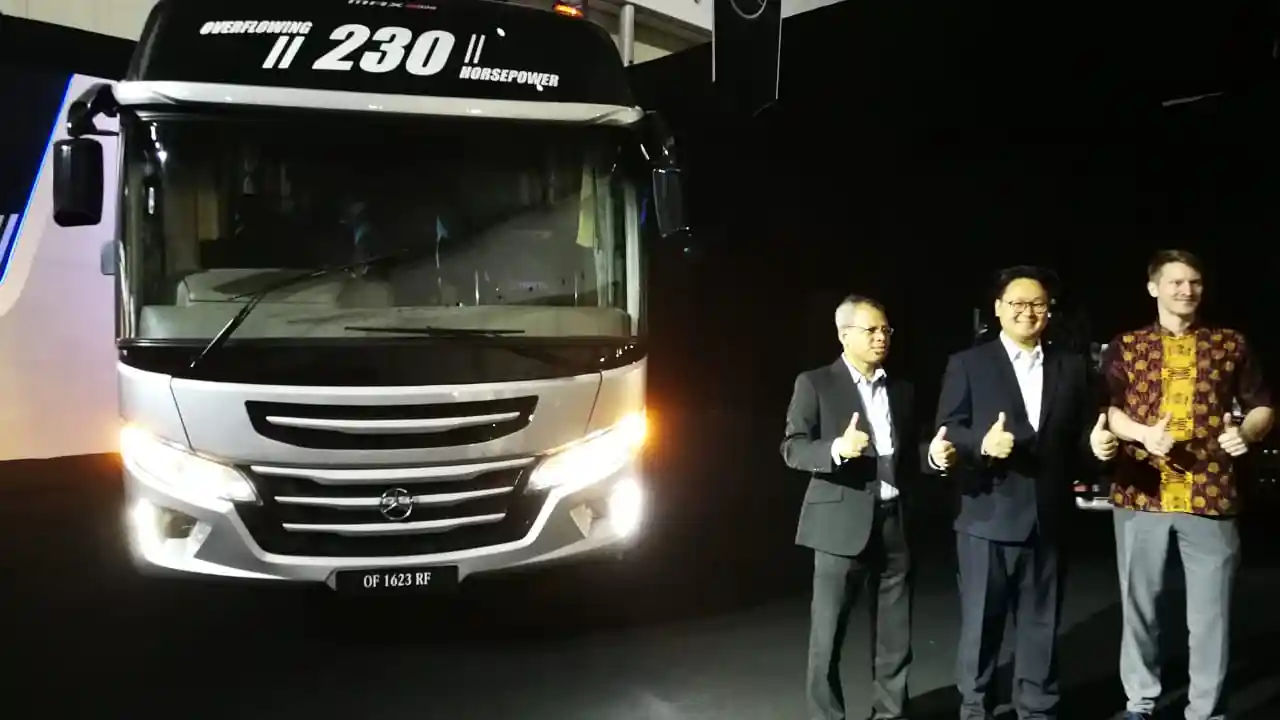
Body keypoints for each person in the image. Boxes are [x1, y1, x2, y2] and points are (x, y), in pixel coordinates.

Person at [931, 266, 1116, 720]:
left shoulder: (1071, 365)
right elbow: (949, 429)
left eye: (1037, 304)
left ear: (1049, 312)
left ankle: (1038, 709)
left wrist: (1095, 447)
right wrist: (982, 444)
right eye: (1017, 303)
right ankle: (976, 708)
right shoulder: (968, 364)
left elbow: (1079, 437)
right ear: (997, 309)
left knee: (1042, 626)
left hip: (1049, 518)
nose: (1027, 312)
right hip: (986, 516)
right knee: (982, 626)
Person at [1101, 249, 1273, 720]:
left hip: (1211, 491)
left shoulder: (1230, 343)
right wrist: (1142, 434)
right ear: (1153, 287)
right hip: (1142, 491)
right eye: (1175, 282)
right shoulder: (1127, 345)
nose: (1187, 290)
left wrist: (1247, 433)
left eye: (1194, 282)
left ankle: (1205, 710)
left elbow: (1261, 404)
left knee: (1211, 613)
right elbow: (1110, 409)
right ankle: (1140, 702)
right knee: (1139, 608)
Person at [781, 295, 937, 720]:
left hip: (894, 521)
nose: (881, 337)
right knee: (828, 635)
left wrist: (934, 455)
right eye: (871, 330)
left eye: (886, 329)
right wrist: (837, 448)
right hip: (840, 523)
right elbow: (793, 447)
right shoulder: (816, 383)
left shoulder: (901, 389)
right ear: (843, 335)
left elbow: (910, 453)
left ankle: (890, 713)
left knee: (894, 635)